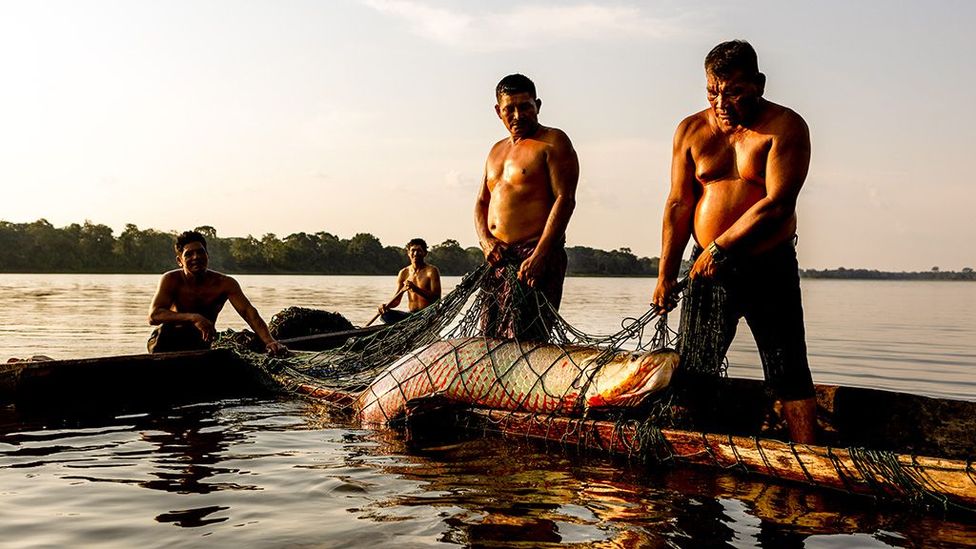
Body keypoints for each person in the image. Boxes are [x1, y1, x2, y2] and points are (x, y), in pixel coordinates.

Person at [651, 40, 816, 443]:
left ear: (758, 84)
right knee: (695, 367)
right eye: (713, 91)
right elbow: (678, 203)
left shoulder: (784, 127)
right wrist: (666, 275)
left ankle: (812, 453)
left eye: (734, 91)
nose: (721, 102)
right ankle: (692, 451)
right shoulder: (691, 130)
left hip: (766, 264)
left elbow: (778, 204)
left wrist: (720, 247)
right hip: (706, 271)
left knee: (788, 368)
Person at [474, 73, 579, 340]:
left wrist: (541, 255)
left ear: (538, 105)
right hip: (498, 257)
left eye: (525, 106)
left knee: (524, 339)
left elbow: (564, 200)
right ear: (499, 111)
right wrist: (486, 241)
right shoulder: (495, 151)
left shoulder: (553, 142)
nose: (518, 115)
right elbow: (481, 202)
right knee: (490, 338)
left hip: (534, 256)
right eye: (510, 108)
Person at [148, 230, 287, 355]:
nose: (196, 257)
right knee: (164, 334)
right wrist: (194, 318)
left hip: (200, 342)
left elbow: (248, 312)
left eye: (200, 252)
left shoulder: (225, 283)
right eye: (189, 254)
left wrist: (269, 341)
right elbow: (154, 316)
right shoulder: (171, 279)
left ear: (207, 255)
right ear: (180, 261)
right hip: (166, 342)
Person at [376, 238, 441, 324]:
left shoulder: (431, 271)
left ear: (425, 253)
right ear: (408, 253)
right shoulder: (404, 273)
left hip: (428, 315)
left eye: (419, 251)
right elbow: (396, 300)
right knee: (385, 315)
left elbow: (437, 299)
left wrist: (416, 289)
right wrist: (385, 307)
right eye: (413, 250)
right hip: (411, 316)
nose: (415, 254)